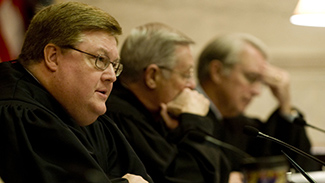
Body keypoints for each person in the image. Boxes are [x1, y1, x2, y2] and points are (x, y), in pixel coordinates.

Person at [0, 2, 153, 183]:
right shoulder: (17, 114)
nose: (112, 76)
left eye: (114, 65)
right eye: (100, 59)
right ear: (53, 57)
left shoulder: (86, 114)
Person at [105, 22, 231, 183]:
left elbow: (221, 172)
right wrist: (194, 122)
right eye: (186, 74)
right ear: (152, 76)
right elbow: (189, 179)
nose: (192, 85)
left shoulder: (159, 114)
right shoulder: (121, 118)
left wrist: (180, 129)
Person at [196, 33, 320, 173]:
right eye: (251, 77)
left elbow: (289, 164)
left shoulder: (242, 126)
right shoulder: (183, 119)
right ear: (217, 71)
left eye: (260, 81)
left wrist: (285, 105)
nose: (257, 91)